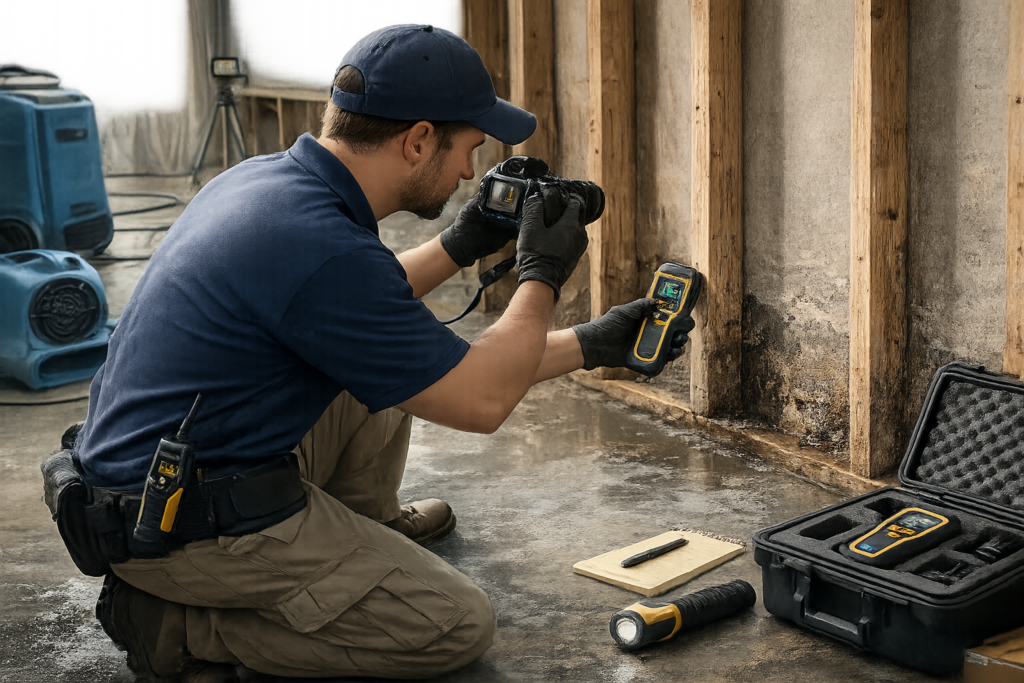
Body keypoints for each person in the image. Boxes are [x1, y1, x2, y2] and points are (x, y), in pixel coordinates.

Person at [66, 23, 688, 682]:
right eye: (466, 148)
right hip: (175, 525)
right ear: (418, 139)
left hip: (167, 473)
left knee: (390, 368)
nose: (468, 171)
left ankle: (366, 534)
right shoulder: (319, 246)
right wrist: (541, 273)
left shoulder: (270, 183)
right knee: (452, 624)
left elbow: (376, 305)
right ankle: (180, 624)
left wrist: (488, 257)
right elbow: (481, 398)